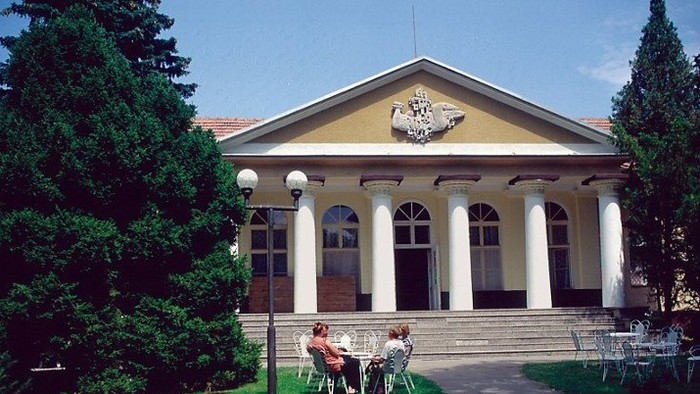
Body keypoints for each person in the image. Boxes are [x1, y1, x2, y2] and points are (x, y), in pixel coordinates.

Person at [307, 321, 361, 394]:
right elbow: (336, 354)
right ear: (322, 331)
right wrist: (338, 350)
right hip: (333, 365)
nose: (327, 332)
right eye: (326, 330)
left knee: (349, 360)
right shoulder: (325, 341)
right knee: (355, 362)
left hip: (323, 365)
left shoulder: (311, 342)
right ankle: (353, 386)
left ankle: (350, 385)